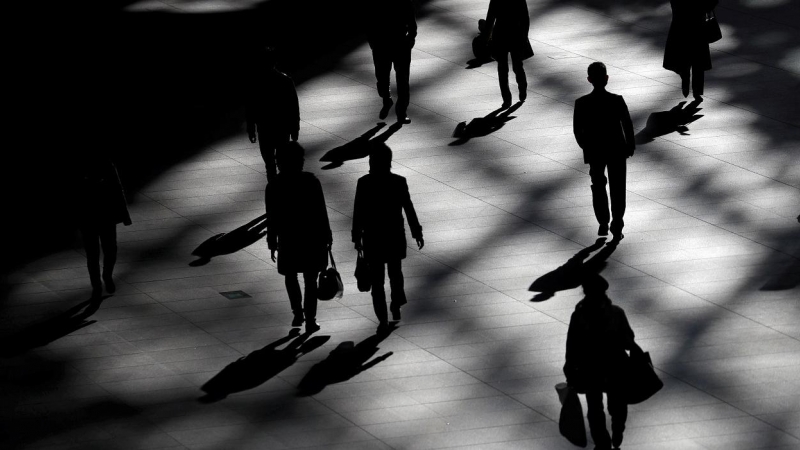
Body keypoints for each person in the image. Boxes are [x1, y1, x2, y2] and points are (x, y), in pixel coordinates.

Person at [352, 143, 423, 333]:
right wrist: (416, 231)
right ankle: (396, 303)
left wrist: (356, 236)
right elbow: (408, 208)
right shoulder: (398, 182)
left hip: (373, 238)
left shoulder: (364, 183)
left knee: (377, 282)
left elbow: (358, 211)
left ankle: (382, 320)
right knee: (396, 274)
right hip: (394, 236)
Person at [564, 273, 638, 450]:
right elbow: (628, 338)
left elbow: (572, 344)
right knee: (617, 403)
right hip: (615, 366)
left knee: (595, 408)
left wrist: (570, 367)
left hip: (590, 368)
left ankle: (602, 442)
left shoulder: (579, 315)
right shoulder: (616, 313)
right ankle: (617, 430)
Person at [266, 142, 332, 334]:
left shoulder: (274, 186)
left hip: (288, 237)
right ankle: (311, 319)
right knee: (310, 280)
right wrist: (327, 234)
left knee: (290, 275)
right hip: (311, 237)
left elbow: (272, 217)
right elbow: (321, 211)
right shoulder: (311, 182)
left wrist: (272, 241)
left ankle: (297, 312)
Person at [573, 62, 635, 241]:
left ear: (589, 80)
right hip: (616, 149)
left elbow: (578, 130)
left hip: (595, 151)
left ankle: (603, 221)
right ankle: (617, 224)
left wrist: (587, 146)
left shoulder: (582, 103)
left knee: (598, 185)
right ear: (606, 78)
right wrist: (629, 145)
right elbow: (627, 125)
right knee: (618, 187)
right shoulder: (617, 100)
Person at [76, 157, 132, 299]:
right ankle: (98, 283)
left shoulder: (106, 164)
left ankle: (105, 277)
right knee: (95, 253)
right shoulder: (102, 165)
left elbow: (117, 188)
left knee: (109, 250)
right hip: (91, 216)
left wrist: (124, 214)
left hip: (102, 215)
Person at [246, 47, 300, 182]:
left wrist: (251, 128)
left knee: (269, 165)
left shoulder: (256, 82)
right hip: (282, 127)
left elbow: (251, 107)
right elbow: (293, 106)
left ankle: (274, 189)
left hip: (265, 128)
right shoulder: (285, 81)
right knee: (283, 162)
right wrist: (295, 128)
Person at [365, 0, 417, 124]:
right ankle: (387, 100)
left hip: (397, 43)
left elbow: (411, 19)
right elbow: (369, 21)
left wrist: (411, 38)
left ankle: (401, 112)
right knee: (383, 78)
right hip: (383, 44)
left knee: (402, 80)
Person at [663, 0, 719, 101]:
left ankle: (685, 77)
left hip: (681, 24)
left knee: (684, 55)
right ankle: (696, 90)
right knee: (698, 59)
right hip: (697, 23)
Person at [485, 0, 534, 107]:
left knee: (502, 69)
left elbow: (490, 18)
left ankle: (507, 99)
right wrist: (524, 36)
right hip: (515, 33)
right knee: (517, 65)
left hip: (500, 35)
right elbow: (525, 17)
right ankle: (522, 86)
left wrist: (486, 38)